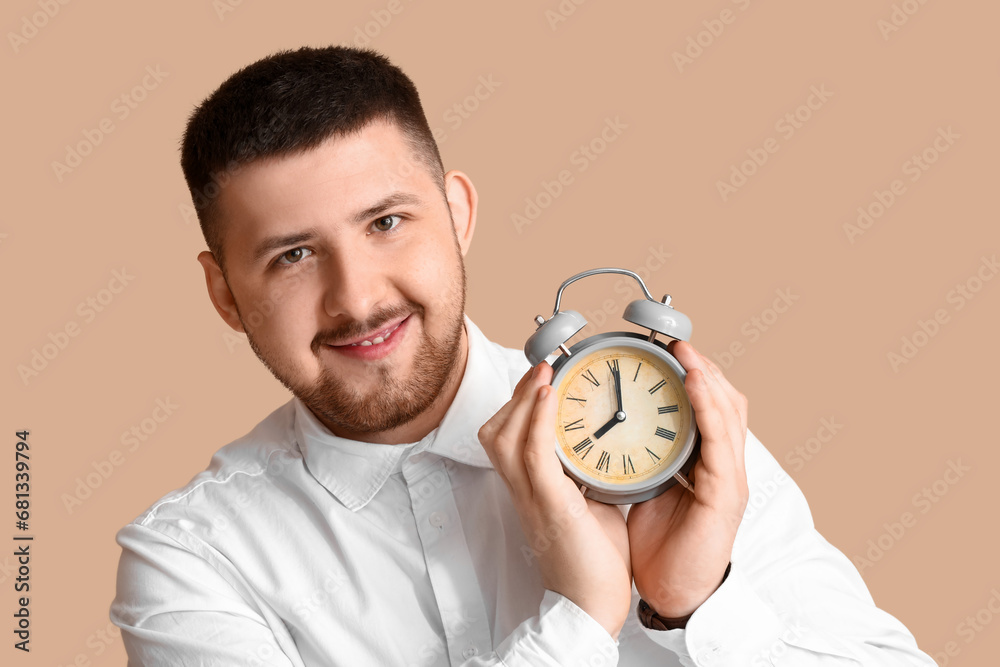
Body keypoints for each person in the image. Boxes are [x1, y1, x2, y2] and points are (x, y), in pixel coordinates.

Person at [109, 45, 935, 666]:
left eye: (387, 222)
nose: (356, 297)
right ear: (223, 292)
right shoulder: (191, 560)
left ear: (458, 213)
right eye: (292, 254)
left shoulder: (667, 433)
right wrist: (579, 617)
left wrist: (695, 604)